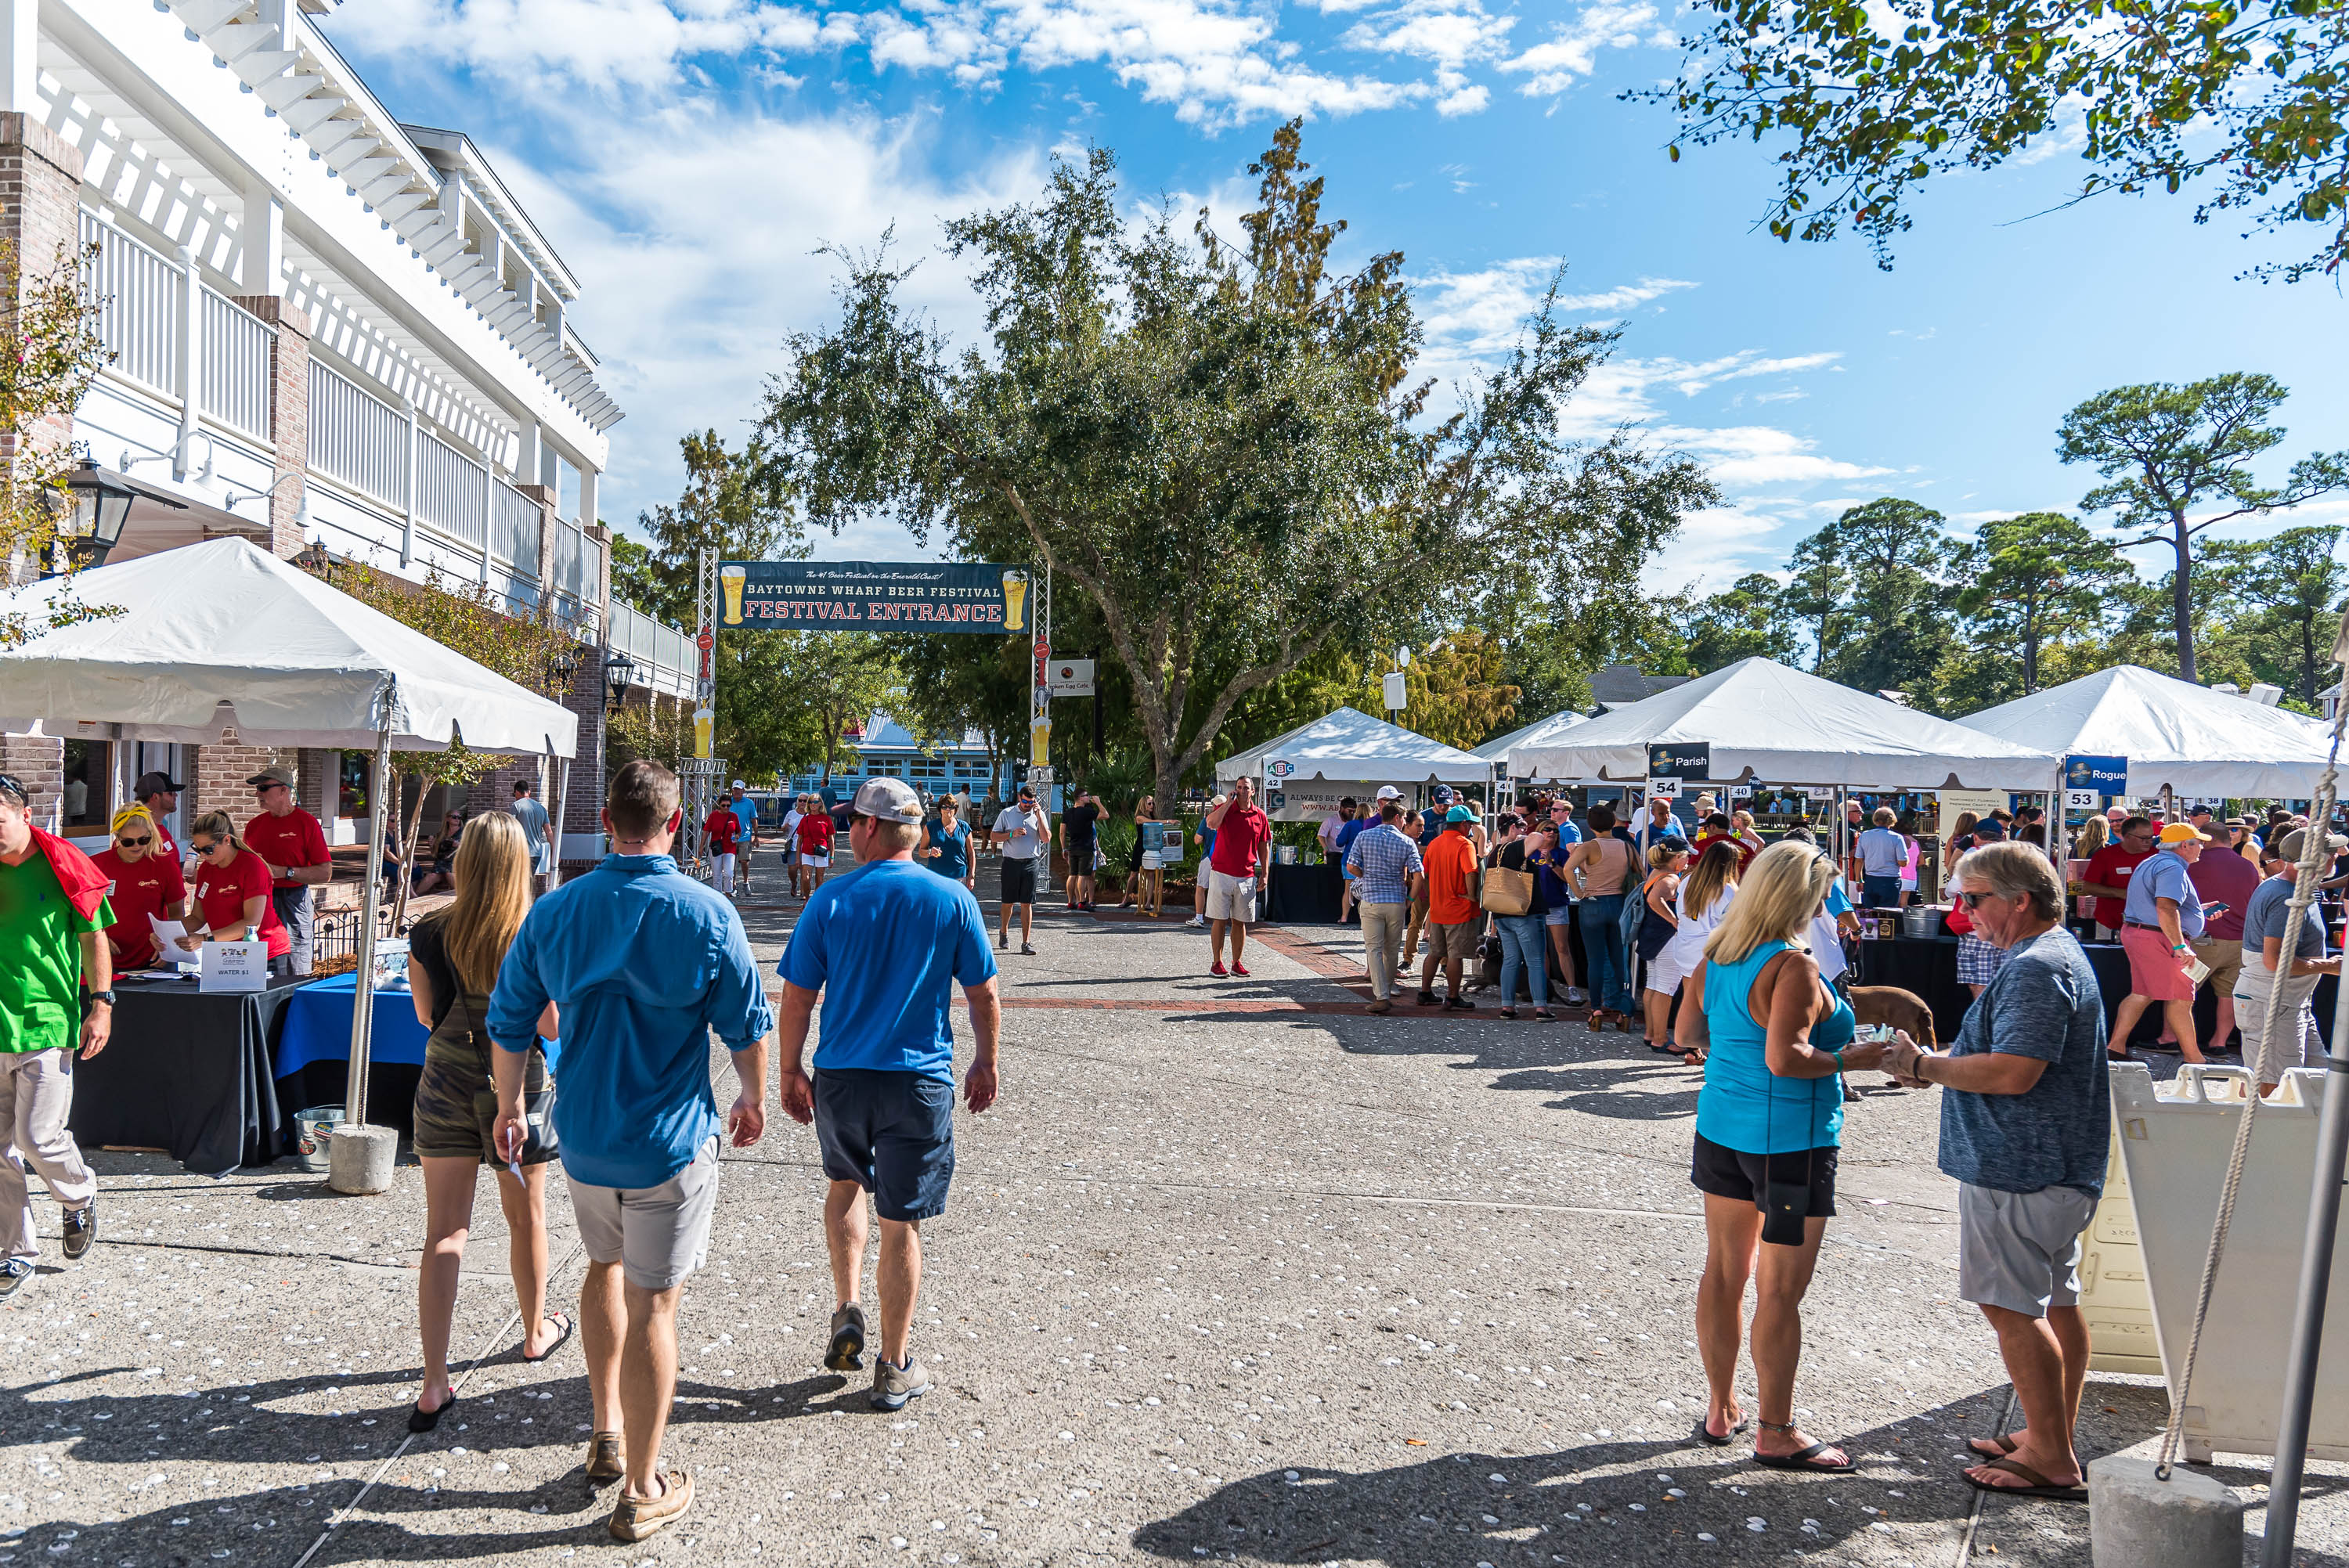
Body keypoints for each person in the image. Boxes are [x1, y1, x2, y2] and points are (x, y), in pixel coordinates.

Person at [487, 760, 772, 1544]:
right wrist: (752, 1095)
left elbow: (508, 1021)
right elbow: (747, 1023)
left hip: (583, 1137)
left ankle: (606, 1429)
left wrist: (512, 1106)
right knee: (655, 1300)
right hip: (667, 1145)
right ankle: (643, 1486)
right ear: (676, 825)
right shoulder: (707, 911)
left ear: (607, 821)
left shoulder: (557, 910)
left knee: (603, 1267)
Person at [1885, 843, 2105, 1502]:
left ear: (2020, 900)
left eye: (1973, 897)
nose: (1964, 911)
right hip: (2050, 1167)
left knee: (2012, 1305)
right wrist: (1944, 1064)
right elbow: (2008, 1057)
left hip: (2022, 1170)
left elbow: (2014, 1071)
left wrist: (1926, 1066)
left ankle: (2050, 1454)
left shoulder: (2037, 966)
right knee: (2055, 1302)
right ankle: (2049, 1432)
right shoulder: (2053, 955)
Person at [774, 778, 1001, 1409]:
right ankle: (894, 1363)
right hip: (918, 1080)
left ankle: (847, 1303)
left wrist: (789, 1070)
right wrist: (986, 1060)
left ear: (873, 829)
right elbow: (983, 993)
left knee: (845, 1185)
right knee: (900, 1221)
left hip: (844, 1077)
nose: (847, 831)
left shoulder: (831, 899)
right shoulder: (952, 898)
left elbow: (797, 997)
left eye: (852, 822)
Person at [1675, 841, 1886, 1469]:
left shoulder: (1717, 953)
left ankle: (1721, 1407)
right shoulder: (1792, 965)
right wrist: (1858, 1056)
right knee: (1779, 1288)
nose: (1828, 902)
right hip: (1788, 1143)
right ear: (1801, 896)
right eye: (1823, 891)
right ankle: (1776, 1428)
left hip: (1722, 1128)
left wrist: (1738, 1037)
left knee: (1723, 1269)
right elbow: (1787, 1059)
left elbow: (1687, 1034)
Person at [406, 814, 569, 1433]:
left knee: (445, 1232)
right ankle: (533, 1331)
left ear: (466, 862)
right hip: (518, 1088)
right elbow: (552, 1026)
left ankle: (433, 1380)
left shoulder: (428, 931)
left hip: (445, 1082)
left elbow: (425, 1014)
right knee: (526, 1217)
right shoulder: (535, 933)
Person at [0, 772, 114, 1297]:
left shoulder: (65, 864)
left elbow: (95, 937)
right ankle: (16, 1251)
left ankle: (78, 1195)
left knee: (36, 1136)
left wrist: (101, 1004)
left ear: (24, 815)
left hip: (46, 1021)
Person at [2235, 830, 2343, 1096]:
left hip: (2288, 1003)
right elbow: (2275, 962)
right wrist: (2329, 966)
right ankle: (2249, 1134)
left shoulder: (2291, 888)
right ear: (2317, 859)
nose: (2336, 859)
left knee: (2314, 1081)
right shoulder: (2287, 896)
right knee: (2274, 1086)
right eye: (2332, 854)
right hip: (2272, 1001)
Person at [2106, 822, 2212, 1063]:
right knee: (2182, 998)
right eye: (2199, 843)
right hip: (2158, 937)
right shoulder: (2171, 868)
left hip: (2141, 933)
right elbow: (2165, 907)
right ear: (2185, 845)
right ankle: (2195, 1060)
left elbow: (2165, 907)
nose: (2202, 848)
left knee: (2142, 993)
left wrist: (2197, 912)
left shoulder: (2152, 862)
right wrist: (2180, 946)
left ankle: (2116, 1047)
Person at [180, 811, 294, 976]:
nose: (203, 856)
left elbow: (251, 925)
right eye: (198, 850)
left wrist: (205, 939)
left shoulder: (251, 866)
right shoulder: (206, 869)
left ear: (227, 840)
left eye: (208, 849)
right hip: (227, 954)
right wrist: (168, 933)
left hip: (266, 955)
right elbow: (197, 918)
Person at [244, 766, 330, 974]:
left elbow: (325, 873)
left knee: (295, 963)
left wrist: (284, 872)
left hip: (293, 899)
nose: (258, 794)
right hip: (259, 901)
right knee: (258, 960)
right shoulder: (254, 826)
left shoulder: (306, 823)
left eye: (263, 788)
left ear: (284, 791)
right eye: (257, 789)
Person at [2185, 820, 2260, 1055]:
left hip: (2204, 941)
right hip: (2239, 941)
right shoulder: (2248, 866)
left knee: (2182, 992)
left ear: (2206, 839)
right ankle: (2219, 1042)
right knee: (2229, 995)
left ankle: (2169, 1037)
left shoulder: (2195, 864)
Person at [1344, 800, 1423, 1015]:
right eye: (1404, 819)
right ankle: (1387, 990)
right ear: (1397, 818)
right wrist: (1411, 900)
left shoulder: (1363, 836)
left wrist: (1365, 876)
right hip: (1396, 901)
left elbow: (1351, 866)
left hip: (1371, 900)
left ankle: (1381, 996)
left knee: (1374, 949)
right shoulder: (1406, 842)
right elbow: (1419, 875)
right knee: (1391, 949)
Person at [1669, 840, 1743, 1065]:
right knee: (1714, 1005)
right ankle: (1714, 1052)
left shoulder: (1688, 880)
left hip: (1684, 945)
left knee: (1690, 1000)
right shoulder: (1728, 889)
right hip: (1711, 951)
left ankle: (1691, 1048)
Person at [1564, 803, 1636, 1029]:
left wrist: (1579, 892)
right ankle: (1624, 1010)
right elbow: (1639, 873)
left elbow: (1568, 869)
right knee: (1619, 960)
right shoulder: (1626, 847)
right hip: (1618, 903)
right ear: (1612, 822)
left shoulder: (1588, 847)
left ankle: (1596, 1007)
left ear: (1590, 825)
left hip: (1593, 903)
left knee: (1595, 960)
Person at [90, 805, 186, 973]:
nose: (136, 846)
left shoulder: (164, 866)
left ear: (151, 836)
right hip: (106, 956)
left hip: (154, 958)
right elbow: (83, 911)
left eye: (143, 840)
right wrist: (97, 935)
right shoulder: (97, 865)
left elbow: (177, 914)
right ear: (117, 837)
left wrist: (169, 945)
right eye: (128, 841)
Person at [1203, 777, 1272, 979]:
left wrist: (1265, 873)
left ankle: (1237, 962)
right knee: (1219, 919)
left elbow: (1263, 845)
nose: (1242, 791)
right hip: (1222, 872)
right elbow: (1211, 823)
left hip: (1246, 875)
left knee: (1240, 921)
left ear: (1253, 791)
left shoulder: (1260, 816)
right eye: (1239, 788)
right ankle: (1217, 963)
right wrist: (1227, 804)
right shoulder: (1227, 810)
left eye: (1246, 788)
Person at [1488, 820, 1555, 1022]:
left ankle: (1507, 1006)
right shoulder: (1516, 847)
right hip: (1524, 912)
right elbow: (1539, 838)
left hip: (1501, 912)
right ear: (1512, 828)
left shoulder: (1495, 852)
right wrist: (1523, 837)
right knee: (1535, 961)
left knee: (1510, 960)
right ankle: (1541, 1008)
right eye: (1522, 827)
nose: (1526, 832)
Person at [1416, 805, 1481, 1010]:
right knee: (1455, 955)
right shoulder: (1465, 844)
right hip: (1458, 908)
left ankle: (1424, 992)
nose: (1471, 827)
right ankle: (1452, 997)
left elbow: (1423, 873)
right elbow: (1471, 871)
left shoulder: (1434, 843)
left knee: (1434, 952)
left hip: (1438, 907)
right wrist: (1471, 895)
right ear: (1463, 824)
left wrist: (1431, 895)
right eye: (1470, 823)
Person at [1637, 840, 1690, 1050]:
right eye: (1686, 856)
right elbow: (1654, 899)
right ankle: (1659, 1037)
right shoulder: (1670, 878)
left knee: (1653, 985)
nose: (1688, 860)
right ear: (1677, 858)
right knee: (1665, 989)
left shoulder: (1656, 873)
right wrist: (1674, 921)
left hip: (1652, 937)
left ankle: (1651, 1034)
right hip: (1666, 939)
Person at [1953, 816, 2012, 997]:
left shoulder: (1973, 855)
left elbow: (1953, 888)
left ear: (1976, 837)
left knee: (1979, 986)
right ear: (2002, 836)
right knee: (2001, 985)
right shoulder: (2010, 857)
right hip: (2005, 928)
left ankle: (1985, 1026)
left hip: (1977, 928)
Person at [992, 785, 1049, 954]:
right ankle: (1004, 932)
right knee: (1008, 902)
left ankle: (1026, 942)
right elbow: (994, 837)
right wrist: (1011, 834)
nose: (1028, 805)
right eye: (1025, 801)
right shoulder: (1007, 813)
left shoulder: (1039, 814)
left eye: (1031, 802)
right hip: (1011, 863)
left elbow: (1046, 839)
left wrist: (1039, 815)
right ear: (1019, 798)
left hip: (1031, 863)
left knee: (1027, 903)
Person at [1537, 801, 1584, 1007]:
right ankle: (1544, 988)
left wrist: (1553, 865)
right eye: (1547, 829)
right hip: (1535, 907)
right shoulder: (1530, 852)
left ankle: (1572, 988)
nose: (1552, 833)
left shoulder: (1562, 854)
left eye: (1555, 831)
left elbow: (1568, 879)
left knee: (1562, 948)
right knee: (1540, 950)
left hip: (1557, 905)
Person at [2080, 816, 2156, 941]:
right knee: (2109, 959)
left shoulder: (2157, 856)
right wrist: (2118, 893)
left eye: (2151, 838)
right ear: (2127, 836)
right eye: (2143, 838)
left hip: (2147, 926)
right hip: (2109, 924)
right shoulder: (2105, 855)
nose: (2148, 841)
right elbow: (2088, 887)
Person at [1855, 806, 1908, 908]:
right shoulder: (1896, 838)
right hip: (1890, 881)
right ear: (1891, 820)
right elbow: (1903, 862)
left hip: (1870, 880)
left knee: (1870, 916)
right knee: (1888, 915)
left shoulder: (1865, 835)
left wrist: (1859, 880)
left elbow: (1859, 860)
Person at [1060, 785, 1101, 913]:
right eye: (1086, 795)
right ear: (1080, 798)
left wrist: (1063, 849)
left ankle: (1070, 901)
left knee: (1072, 875)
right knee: (1083, 875)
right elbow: (1105, 815)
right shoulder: (1086, 812)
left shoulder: (1067, 813)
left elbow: (1062, 832)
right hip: (1086, 848)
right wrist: (1098, 803)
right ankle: (1082, 902)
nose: (1088, 797)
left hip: (1073, 848)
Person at [1113, 794, 1158, 910]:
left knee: (1151, 874)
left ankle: (1148, 902)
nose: (1152, 805)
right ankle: (1126, 898)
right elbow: (1151, 823)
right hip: (1140, 848)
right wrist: (1168, 821)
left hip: (1151, 848)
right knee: (1133, 874)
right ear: (1143, 805)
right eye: (1149, 803)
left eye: (1153, 803)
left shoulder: (1154, 816)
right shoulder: (1139, 817)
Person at [923, 796, 975, 895]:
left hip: (959, 877)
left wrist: (971, 876)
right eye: (944, 807)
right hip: (936, 877)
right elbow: (921, 851)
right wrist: (930, 852)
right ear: (940, 809)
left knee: (956, 907)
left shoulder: (964, 827)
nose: (948, 810)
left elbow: (971, 853)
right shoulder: (931, 827)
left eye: (951, 807)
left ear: (955, 809)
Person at [131, 770, 184, 863]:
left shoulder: (160, 825)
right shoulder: (138, 831)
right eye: (170, 793)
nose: (176, 795)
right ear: (155, 797)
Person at [510, 777, 554, 883]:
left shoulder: (516, 805)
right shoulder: (541, 808)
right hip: (537, 853)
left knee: (518, 883)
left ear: (517, 792)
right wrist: (555, 852)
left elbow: (510, 828)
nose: (515, 797)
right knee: (527, 882)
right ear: (529, 792)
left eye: (514, 795)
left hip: (521, 852)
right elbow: (549, 832)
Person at [796, 794, 836, 898]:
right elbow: (799, 841)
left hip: (821, 851)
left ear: (820, 804)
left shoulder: (826, 819)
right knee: (806, 878)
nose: (813, 804)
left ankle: (816, 900)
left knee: (819, 878)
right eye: (810, 802)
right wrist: (797, 858)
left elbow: (831, 840)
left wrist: (832, 857)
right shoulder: (805, 819)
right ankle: (807, 899)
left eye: (815, 802)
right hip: (807, 852)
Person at [725, 782, 761, 896]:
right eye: (735, 789)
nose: (736, 791)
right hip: (730, 837)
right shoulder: (728, 803)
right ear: (732, 790)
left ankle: (746, 882)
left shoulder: (749, 803)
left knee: (744, 861)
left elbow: (754, 820)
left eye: (739, 789)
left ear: (743, 791)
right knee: (732, 863)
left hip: (745, 836)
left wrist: (756, 836)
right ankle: (733, 885)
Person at [702, 795, 742, 898]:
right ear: (719, 805)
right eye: (723, 805)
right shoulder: (713, 816)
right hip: (716, 849)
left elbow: (739, 831)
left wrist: (737, 836)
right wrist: (701, 846)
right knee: (717, 875)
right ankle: (718, 897)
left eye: (728, 806)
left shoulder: (734, 816)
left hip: (730, 849)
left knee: (729, 873)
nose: (726, 808)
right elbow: (706, 831)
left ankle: (728, 894)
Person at [781, 795, 807, 900]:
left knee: (804, 869)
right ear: (797, 801)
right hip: (793, 846)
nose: (802, 803)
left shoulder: (810, 815)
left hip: (806, 846)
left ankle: (804, 892)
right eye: (800, 800)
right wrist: (785, 827)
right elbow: (783, 829)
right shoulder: (791, 814)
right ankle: (794, 883)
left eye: (805, 801)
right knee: (792, 869)